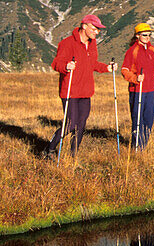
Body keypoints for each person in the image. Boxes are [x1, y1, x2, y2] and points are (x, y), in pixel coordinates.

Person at [45, 14, 113, 160]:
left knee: (81, 125)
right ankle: (50, 149)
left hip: (86, 90)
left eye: (98, 29)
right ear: (84, 26)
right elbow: (56, 63)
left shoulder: (92, 44)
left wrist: (107, 67)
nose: (97, 32)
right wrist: (66, 66)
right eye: (94, 28)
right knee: (70, 124)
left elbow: (93, 64)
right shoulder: (67, 43)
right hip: (70, 91)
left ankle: (73, 155)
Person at [121, 23, 154, 149]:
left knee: (148, 118)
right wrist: (135, 78)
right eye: (145, 35)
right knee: (137, 118)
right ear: (137, 36)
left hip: (151, 89)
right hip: (137, 90)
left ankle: (143, 144)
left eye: (149, 35)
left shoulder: (152, 50)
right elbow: (124, 70)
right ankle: (137, 146)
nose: (148, 37)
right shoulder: (132, 51)